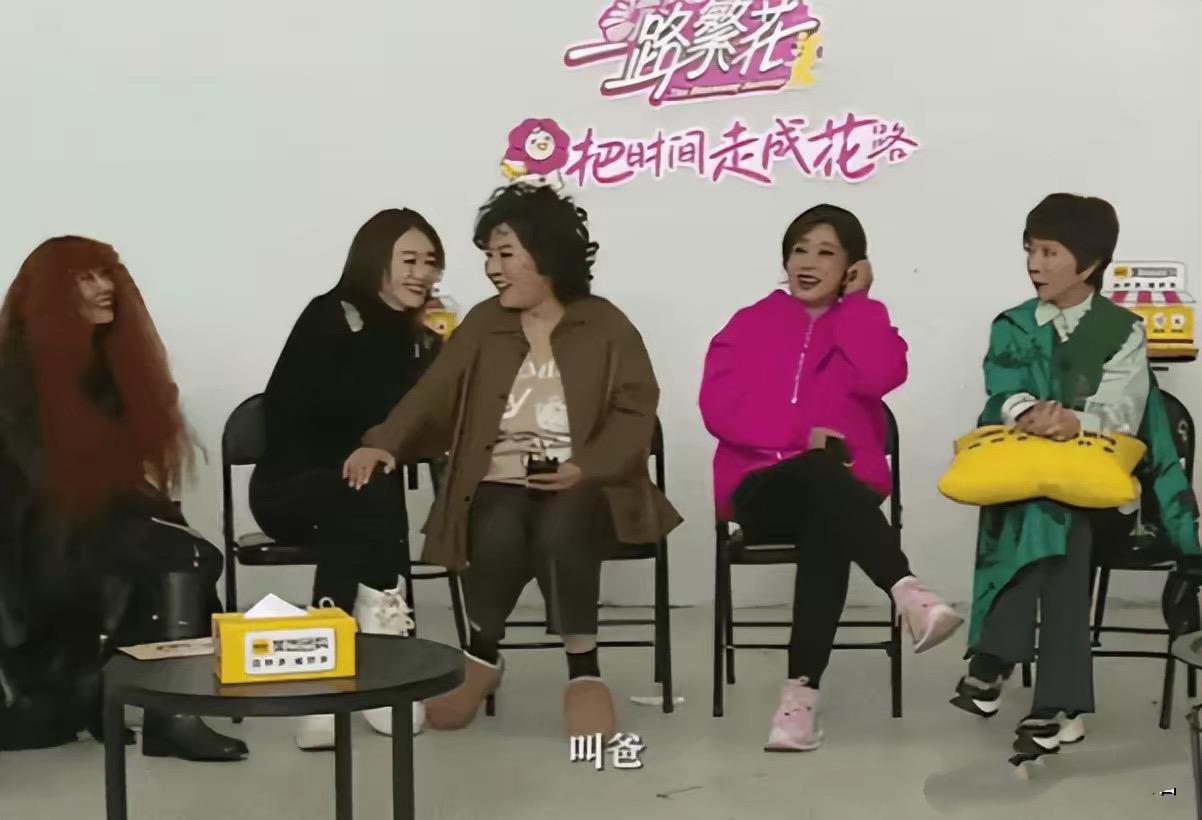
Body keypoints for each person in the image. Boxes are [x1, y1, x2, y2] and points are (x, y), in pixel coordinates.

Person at [345, 183, 681, 740]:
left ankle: (584, 673)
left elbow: (635, 412)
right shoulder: (484, 322)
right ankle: (481, 658)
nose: (491, 268)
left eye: (504, 254)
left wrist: (585, 467)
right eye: (488, 255)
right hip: (497, 480)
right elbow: (432, 393)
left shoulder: (605, 325)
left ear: (545, 255)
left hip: (586, 483)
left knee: (562, 526)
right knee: (496, 527)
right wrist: (385, 441)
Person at [699, 204, 962, 753]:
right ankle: (907, 590)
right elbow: (718, 408)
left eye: (826, 253)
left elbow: (881, 374)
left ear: (851, 267)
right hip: (763, 489)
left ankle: (797, 703)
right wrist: (801, 440)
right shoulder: (747, 324)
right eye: (799, 250)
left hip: (838, 495)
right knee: (824, 479)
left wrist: (858, 306)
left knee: (830, 520)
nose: (808, 263)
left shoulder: (865, 321)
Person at [950, 193, 1201, 765]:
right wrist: (1024, 412)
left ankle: (993, 658)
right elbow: (1002, 389)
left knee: (1058, 517)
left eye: (1048, 252)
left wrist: (1073, 421)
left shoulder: (1122, 330)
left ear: (1087, 264)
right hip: (1028, 492)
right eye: (1030, 250)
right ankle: (1056, 707)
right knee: (1052, 519)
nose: (1033, 264)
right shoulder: (1012, 325)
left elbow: (1124, 412)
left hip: (1105, 500)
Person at [0, 236, 247, 761]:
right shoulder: (13, 371)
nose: (105, 287)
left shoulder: (101, 367)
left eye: (106, 273)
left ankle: (153, 707)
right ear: (51, 295)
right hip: (33, 542)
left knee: (184, 551)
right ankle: (168, 716)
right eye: (85, 278)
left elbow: (110, 477)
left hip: (83, 523)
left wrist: (150, 511)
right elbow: (50, 480)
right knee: (185, 555)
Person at [250, 209, 444, 749]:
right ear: (374, 260)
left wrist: (434, 355)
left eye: (431, 262)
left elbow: (427, 423)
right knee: (363, 490)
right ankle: (384, 658)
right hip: (289, 487)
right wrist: (365, 446)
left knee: (364, 495)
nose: (421, 274)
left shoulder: (422, 335)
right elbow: (292, 413)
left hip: (358, 499)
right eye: (409, 260)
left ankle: (329, 679)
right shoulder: (329, 315)